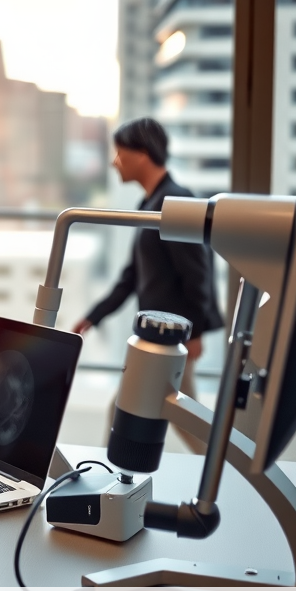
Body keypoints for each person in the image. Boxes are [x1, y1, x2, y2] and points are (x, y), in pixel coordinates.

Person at [74, 117, 223, 449]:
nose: (114, 162)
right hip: (160, 335)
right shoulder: (152, 203)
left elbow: (198, 271)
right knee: (175, 417)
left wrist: (194, 331)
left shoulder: (177, 202)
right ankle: (224, 475)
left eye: (119, 153)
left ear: (141, 153)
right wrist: (93, 317)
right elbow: (131, 276)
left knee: (147, 415)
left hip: (172, 335)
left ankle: (226, 478)